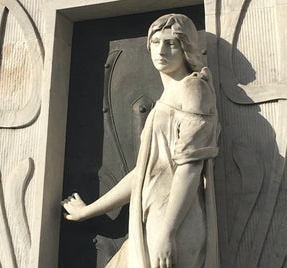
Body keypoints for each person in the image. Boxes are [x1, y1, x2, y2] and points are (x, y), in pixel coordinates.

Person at [61, 14, 219, 268]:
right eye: (155, 42)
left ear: (186, 47)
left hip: (174, 216)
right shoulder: (169, 97)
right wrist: (88, 211)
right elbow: (143, 173)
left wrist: (168, 232)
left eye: (171, 43)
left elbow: (191, 167)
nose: (161, 50)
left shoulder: (193, 89)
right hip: (153, 211)